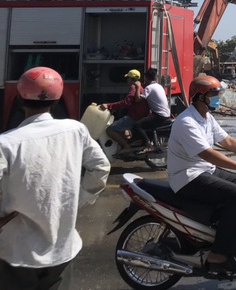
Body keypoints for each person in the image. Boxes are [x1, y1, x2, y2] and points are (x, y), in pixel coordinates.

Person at [0, 67, 110, 290]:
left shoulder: (7, 143)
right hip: (63, 249)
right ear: (58, 97)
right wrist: (77, 200)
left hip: (15, 252)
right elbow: (100, 167)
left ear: (20, 98)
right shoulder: (76, 130)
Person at [167, 75, 236, 274]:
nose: (217, 97)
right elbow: (209, 154)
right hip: (187, 177)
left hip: (203, 170)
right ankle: (218, 254)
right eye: (213, 94)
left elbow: (227, 141)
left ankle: (229, 232)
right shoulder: (187, 122)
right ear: (200, 97)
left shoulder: (206, 117)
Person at [100, 69, 150, 156]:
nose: (127, 80)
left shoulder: (133, 88)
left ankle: (126, 147)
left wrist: (109, 105)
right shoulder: (141, 87)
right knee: (122, 126)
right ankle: (124, 144)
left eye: (128, 78)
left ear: (131, 79)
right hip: (139, 115)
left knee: (110, 130)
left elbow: (126, 103)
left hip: (134, 117)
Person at [134, 68, 172, 153]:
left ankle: (148, 145)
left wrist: (138, 86)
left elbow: (137, 99)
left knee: (137, 125)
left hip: (159, 116)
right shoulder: (159, 86)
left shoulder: (149, 88)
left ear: (147, 78)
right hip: (166, 114)